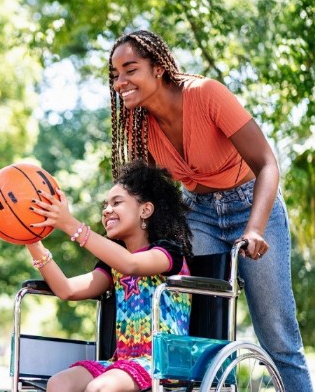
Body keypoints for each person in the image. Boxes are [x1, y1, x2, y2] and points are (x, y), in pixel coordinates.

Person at [108, 29, 313, 391]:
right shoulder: (138, 122)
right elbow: (149, 193)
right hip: (199, 213)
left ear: (158, 68)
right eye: (115, 74)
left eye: (130, 69)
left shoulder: (206, 94)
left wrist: (255, 228)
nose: (120, 81)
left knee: (277, 334)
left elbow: (267, 163)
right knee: (202, 331)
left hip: (251, 203)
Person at [25, 161, 193, 392]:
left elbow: (132, 264)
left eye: (117, 202)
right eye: (105, 204)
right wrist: (31, 240)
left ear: (145, 210)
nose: (106, 210)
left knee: (99, 387)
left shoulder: (168, 253)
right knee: (59, 383)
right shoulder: (112, 265)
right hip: (122, 363)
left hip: (164, 363)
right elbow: (67, 290)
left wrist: (71, 225)